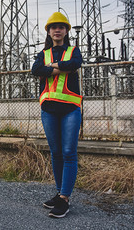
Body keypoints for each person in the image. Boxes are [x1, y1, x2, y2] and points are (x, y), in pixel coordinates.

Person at [31, 11, 83, 218]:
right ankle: (60, 192)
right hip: (49, 109)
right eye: (54, 27)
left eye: (61, 27)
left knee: (69, 152)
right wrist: (60, 68)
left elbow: (74, 64)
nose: (57, 30)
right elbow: (35, 70)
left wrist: (51, 67)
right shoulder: (42, 54)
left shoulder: (73, 51)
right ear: (49, 32)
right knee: (56, 152)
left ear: (66, 30)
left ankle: (64, 199)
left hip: (70, 108)